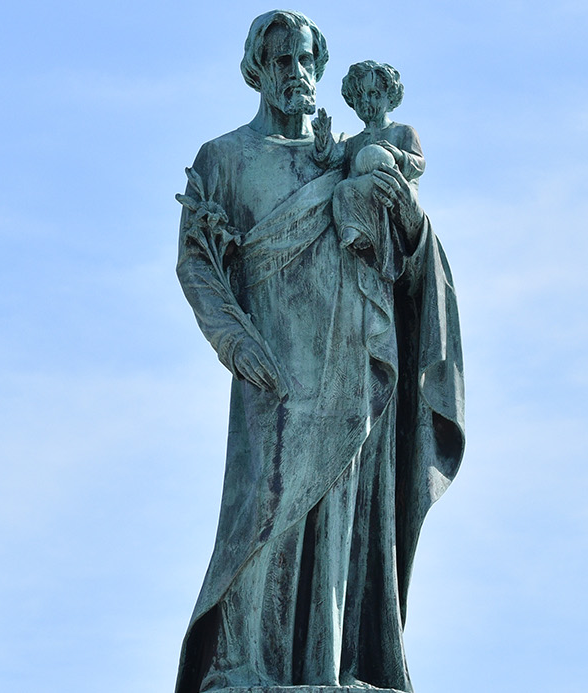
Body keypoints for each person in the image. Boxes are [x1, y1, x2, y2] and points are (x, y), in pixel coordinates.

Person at [172, 10, 466, 693]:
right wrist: (236, 340)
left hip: (351, 360)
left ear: (320, 66)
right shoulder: (224, 158)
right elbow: (197, 265)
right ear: (257, 69)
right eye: (279, 60)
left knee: (342, 504)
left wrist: (411, 219)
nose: (294, 72)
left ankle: (325, 666)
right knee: (262, 505)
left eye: (304, 59)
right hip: (271, 367)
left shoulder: (346, 156)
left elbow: (412, 259)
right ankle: (241, 666)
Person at [340, 61, 425, 185]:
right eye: (358, 95)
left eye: (373, 93)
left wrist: (400, 156)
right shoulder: (352, 143)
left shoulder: (404, 132)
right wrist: (323, 146)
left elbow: (420, 164)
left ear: (390, 97)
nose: (365, 100)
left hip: (390, 190)